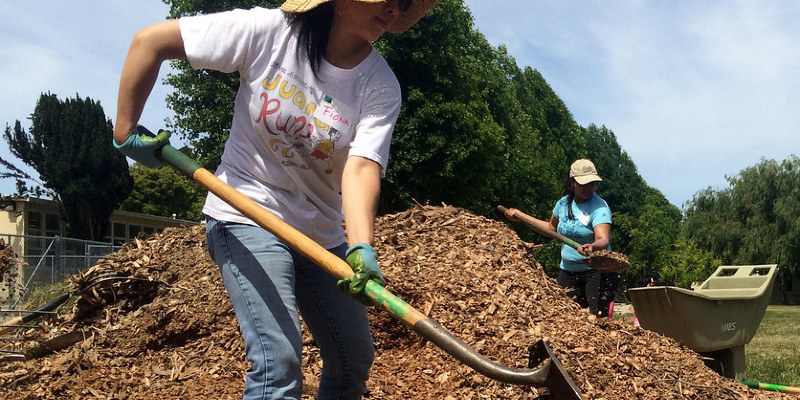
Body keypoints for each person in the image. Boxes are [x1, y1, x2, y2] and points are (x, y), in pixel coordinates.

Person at [112, 1, 436, 399]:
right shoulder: (269, 32)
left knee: (352, 359)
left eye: (403, 3)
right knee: (277, 362)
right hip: (245, 210)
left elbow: (362, 167)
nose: (393, 10)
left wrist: (362, 245)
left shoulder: (379, 84)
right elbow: (150, 42)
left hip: (320, 233)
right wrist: (125, 129)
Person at [505, 159, 612, 317]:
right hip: (568, 270)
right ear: (572, 182)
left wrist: (593, 247)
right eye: (583, 183)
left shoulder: (599, 207)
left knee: (595, 318)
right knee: (563, 316)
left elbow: (603, 239)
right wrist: (521, 216)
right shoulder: (563, 204)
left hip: (595, 272)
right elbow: (550, 228)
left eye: (592, 183)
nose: (588, 188)